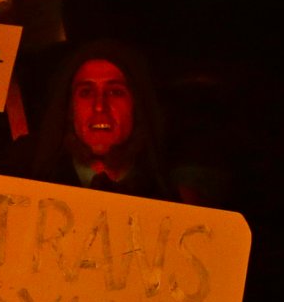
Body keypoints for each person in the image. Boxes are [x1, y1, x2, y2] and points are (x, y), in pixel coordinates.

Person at [24, 38, 173, 197]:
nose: (99, 106)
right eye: (86, 92)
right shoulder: (23, 172)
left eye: (115, 92)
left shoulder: (171, 191)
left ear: (136, 106)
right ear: (70, 108)